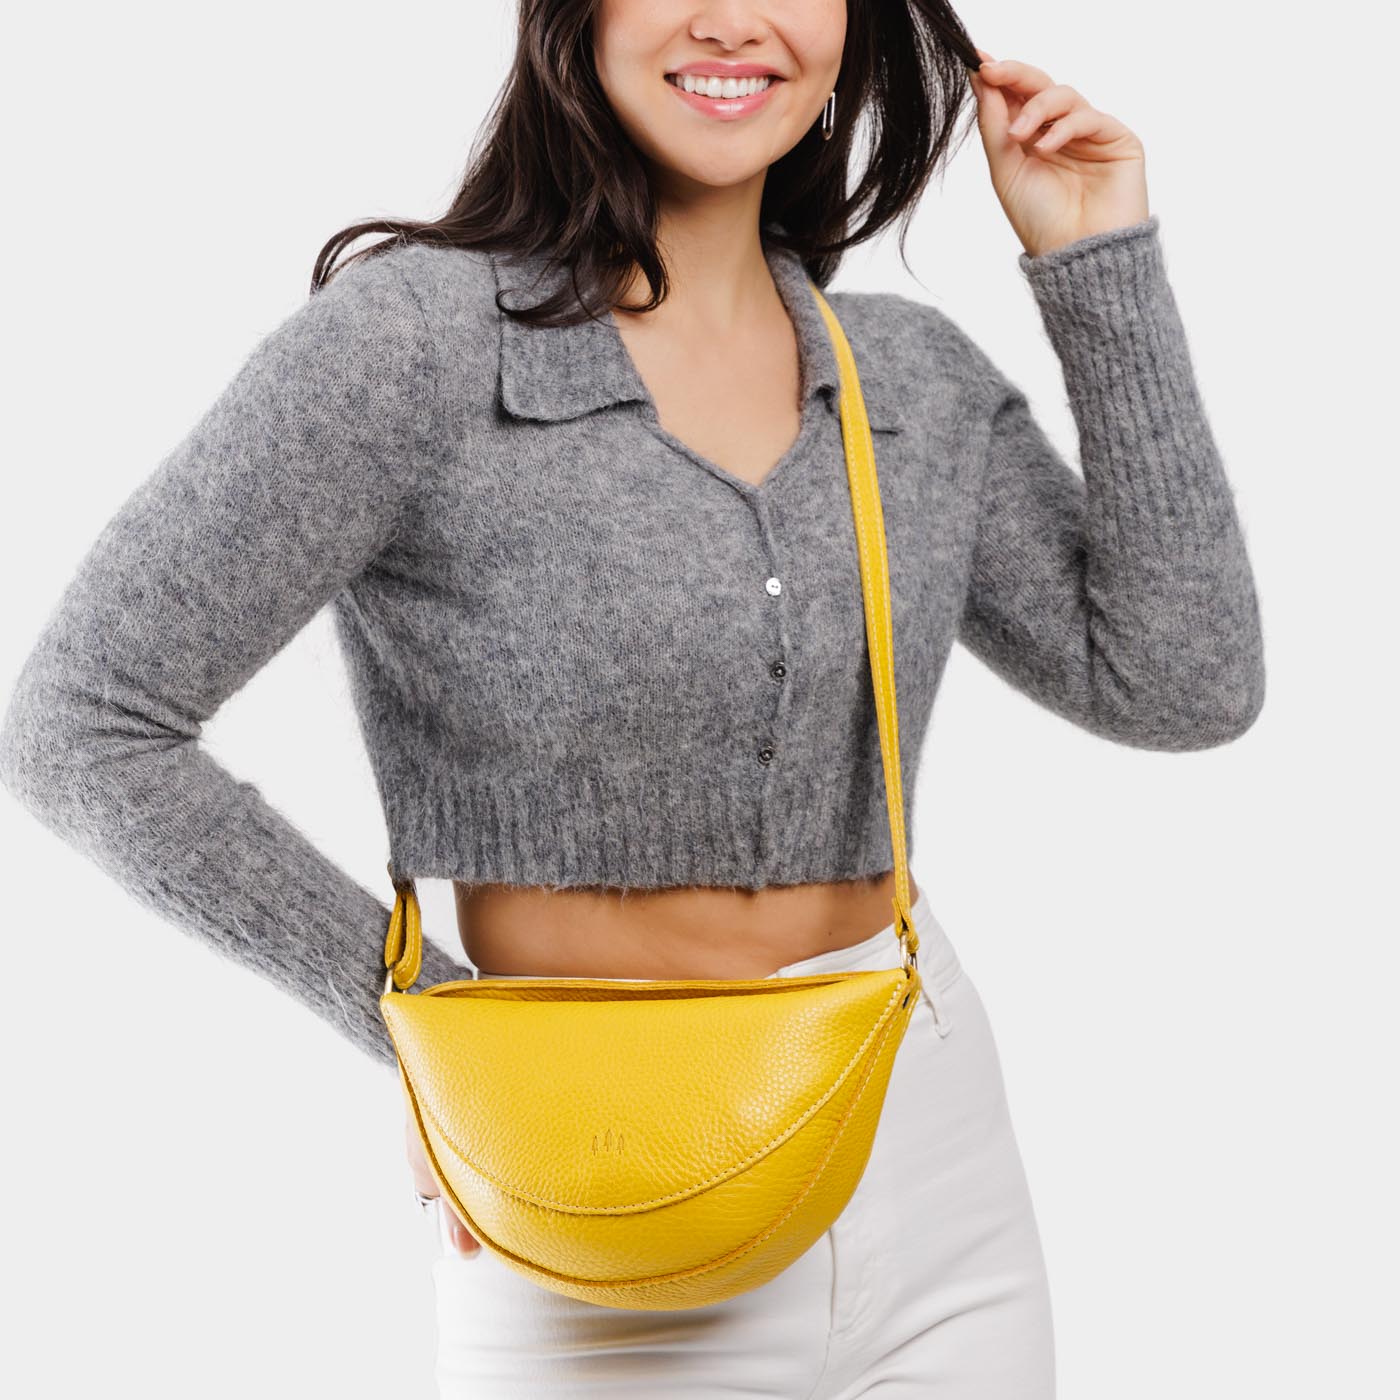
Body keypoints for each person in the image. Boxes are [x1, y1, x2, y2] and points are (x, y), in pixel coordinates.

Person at [0, 2, 1265, 1396]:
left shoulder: (907, 375)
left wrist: (1095, 263)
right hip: (592, 1186)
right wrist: (416, 1035)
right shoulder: (417, 346)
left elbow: (1183, 685)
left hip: (928, 1156)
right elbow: (84, 725)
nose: (733, 16)